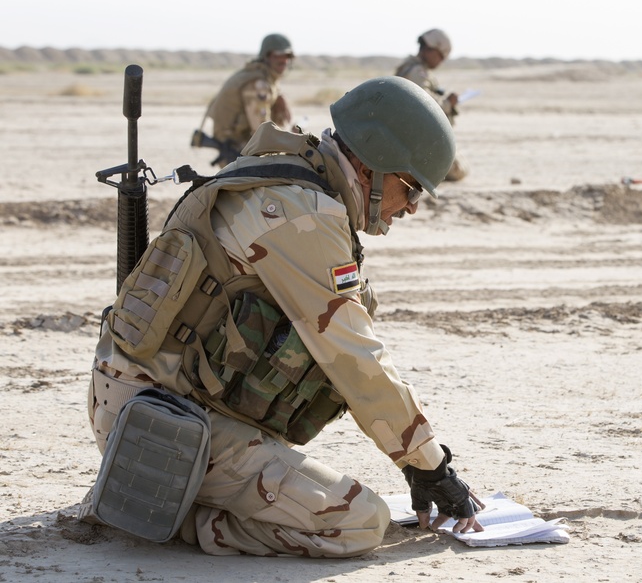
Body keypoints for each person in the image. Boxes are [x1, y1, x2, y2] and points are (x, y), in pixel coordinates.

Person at [86, 76, 483, 557]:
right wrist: (428, 466)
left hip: (138, 399)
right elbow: (355, 358)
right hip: (165, 425)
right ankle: (190, 520)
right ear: (371, 165)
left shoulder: (283, 171)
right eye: (411, 188)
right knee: (361, 523)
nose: (412, 208)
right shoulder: (303, 213)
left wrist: (416, 461)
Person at [193, 33, 297, 167]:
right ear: (266, 56)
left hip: (240, 146)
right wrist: (290, 141)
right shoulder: (257, 83)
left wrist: (279, 96)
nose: (283, 61)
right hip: (235, 150)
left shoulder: (258, 75)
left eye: (287, 56)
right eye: (277, 56)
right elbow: (262, 132)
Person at [395, 28, 468, 181]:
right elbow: (426, 106)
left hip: (411, 138)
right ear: (432, 49)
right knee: (459, 170)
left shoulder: (413, 68)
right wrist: (448, 103)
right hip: (414, 141)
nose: (440, 61)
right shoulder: (416, 71)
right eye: (441, 56)